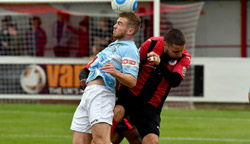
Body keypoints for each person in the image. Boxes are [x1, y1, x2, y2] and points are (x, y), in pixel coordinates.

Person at [70, 12, 141, 144]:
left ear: (130, 30)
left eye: (120, 24)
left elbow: (132, 81)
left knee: (101, 140)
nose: (114, 26)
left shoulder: (130, 49)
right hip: (88, 94)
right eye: (116, 22)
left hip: (102, 93)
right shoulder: (114, 45)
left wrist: (117, 73)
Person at [114, 28, 191, 144]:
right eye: (175, 51)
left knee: (152, 141)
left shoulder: (185, 58)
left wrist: (160, 64)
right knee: (115, 126)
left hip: (151, 107)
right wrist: (121, 97)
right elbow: (132, 69)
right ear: (165, 45)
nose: (179, 54)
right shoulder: (152, 44)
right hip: (129, 99)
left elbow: (175, 81)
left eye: (181, 50)